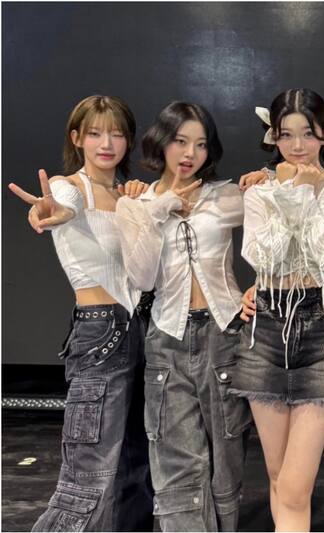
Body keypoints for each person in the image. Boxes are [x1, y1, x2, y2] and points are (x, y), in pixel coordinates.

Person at [8, 95, 154, 532]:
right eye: (94, 133)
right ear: (77, 138)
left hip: (146, 331)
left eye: (117, 134)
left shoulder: (130, 194)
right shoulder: (68, 187)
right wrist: (47, 210)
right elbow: (59, 205)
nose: (106, 143)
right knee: (89, 477)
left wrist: (143, 204)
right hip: (101, 335)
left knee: (138, 472)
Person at [115, 101, 252, 531]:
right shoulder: (136, 203)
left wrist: (269, 182)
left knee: (226, 455)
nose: (190, 153)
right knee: (176, 458)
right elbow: (140, 276)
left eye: (200, 144)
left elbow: (275, 238)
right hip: (168, 338)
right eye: (180, 141)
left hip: (224, 332)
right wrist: (158, 208)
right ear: (162, 141)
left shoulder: (225, 196)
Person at [234, 88, 324, 531]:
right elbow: (261, 257)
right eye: (286, 135)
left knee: (294, 483)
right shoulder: (259, 192)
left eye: (307, 133)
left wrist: (303, 195)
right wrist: (287, 193)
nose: (297, 145)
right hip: (267, 325)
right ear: (273, 137)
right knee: (277, 474)